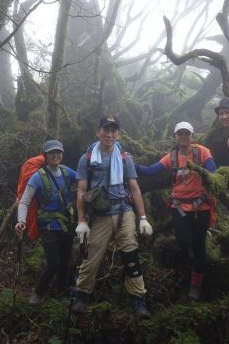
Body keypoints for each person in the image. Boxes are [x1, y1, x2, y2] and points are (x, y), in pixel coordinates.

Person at [72, 115, 153, 317]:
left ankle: (138, 299)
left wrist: (142, 218)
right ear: (98, 132)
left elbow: (134, 188)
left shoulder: (125, 158)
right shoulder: (87, 159)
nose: (109, 134)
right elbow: (81, 191)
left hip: (124, 210)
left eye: (113, 131)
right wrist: (81, 221)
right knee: (91, 257)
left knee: (131, 255)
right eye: (105, 130)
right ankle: (81, 295)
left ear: (118, 133)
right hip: (100, 214)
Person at [135, 121, 216, 300]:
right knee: (183, 240)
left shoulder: (202, 152)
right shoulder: (171, 157)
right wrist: (130, 164)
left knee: (199, 245)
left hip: (201, 206)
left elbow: (213, 172)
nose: (183, 136)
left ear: (192, 136)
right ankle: (191, 256)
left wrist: (212, 179)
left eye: (187, 133)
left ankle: (196, 286)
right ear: (175, 137)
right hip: (179, 206)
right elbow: (151, 171)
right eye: (180, 134)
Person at [15, 140, 77, 305]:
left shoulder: (67, 172)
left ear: (62, 154)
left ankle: (61, 294)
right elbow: (24, 201)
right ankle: (38, 292)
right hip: (49, 226)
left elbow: (84, 178)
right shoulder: (37, 177)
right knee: (54, 263)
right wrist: (21, 221)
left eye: (58, 152)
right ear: (46, 155)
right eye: (51, 152)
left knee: (65, 262)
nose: (55, 155)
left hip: (67, 224)